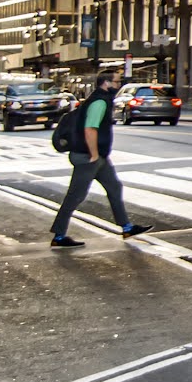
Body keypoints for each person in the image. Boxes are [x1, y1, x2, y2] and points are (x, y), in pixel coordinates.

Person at [49, 71, 153, 249]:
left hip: (97, 157)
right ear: (105, 83)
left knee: (114, 187)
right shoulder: (98, 102)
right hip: (88, 157)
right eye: (116, 82)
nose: (118, 85)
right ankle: (59, 236)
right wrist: (94, 154)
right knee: (75, 196)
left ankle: (127, 227)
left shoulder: (101, 100)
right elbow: (90, 129)